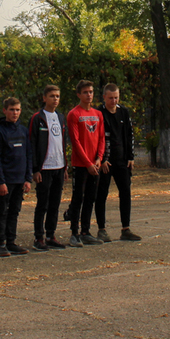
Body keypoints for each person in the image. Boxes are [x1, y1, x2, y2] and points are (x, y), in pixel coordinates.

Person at [94, 84, 141, 242]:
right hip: (106, 162)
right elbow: (97, 138)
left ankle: (125, 228)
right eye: (110, 98)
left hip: (122, 161)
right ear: (104, 98)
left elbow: (129, 134)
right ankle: (102, 229)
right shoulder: (98, 113)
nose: (113, 101)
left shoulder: (124, 112)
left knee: (125, 192)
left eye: (116, 97)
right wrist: (102, 159)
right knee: (102, 194)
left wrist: (130, 156)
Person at [0, 97, 33, 257]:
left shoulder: (23, 131)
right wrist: (0, 181)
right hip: (6, 180)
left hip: (20, 179)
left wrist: (28, 178)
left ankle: (11, 241)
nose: (15, 113)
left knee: (15, 211)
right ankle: (1, 243)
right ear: (5, 111)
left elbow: (28, 154)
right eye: (11, 110)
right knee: (2, 211)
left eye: (17, 110)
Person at [28, 85, 67, 252]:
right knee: (42, 204)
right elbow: (33, 144)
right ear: (44, 98)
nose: (55, 99)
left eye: (57, 96)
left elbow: (63, 143)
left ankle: (51, 235)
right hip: (44, 168)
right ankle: (39, 237)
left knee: (55, 203)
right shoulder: (38, 118)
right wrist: (35, 169)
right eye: (52, 96)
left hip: (59, 166)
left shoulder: (60, 117)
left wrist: (65, 166)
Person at [66, 80, 105, 247]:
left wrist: (98, 159)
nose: (89, 95)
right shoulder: (74, 114)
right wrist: (88, 163)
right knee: (78, 198)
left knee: (91, 198)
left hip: (94, 165)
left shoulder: (98, 114)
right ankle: (74, 233)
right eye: (85, 92)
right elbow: (75, 141)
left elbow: (102, 138)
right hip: (81, 165)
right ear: (78, 94)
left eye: (91, 92)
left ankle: (85, 231)